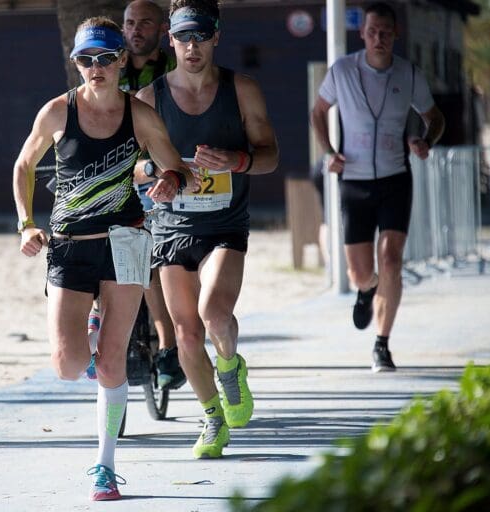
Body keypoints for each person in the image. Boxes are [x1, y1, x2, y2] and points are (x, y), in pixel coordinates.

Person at [12, 17, 197, 501]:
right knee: (69, 364)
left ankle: (104, 467)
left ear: (120, 62)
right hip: (70, 244)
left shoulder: (141, 116)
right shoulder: (57, 112)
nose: (95, 68)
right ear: (76, 64)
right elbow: (24, 165)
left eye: (105, 59)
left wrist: (171, 181)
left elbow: (176, 167)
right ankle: (90, 325)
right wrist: (26, 223)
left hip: (127, 240)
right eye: (85, 60)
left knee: (112, 364)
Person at [136, 0, 279, 459]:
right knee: (186, 334)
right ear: (170, 40)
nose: (191, 47)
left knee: (214, 315)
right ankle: (212, 418)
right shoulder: (148, 98)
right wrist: (158, 176)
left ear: (216, 37)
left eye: (200, 37)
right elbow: (132, 168)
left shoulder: (242, 90)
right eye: (183, 38)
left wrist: (236, 161)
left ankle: (230, 366)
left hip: (224, 224)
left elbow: (271, 156)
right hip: (172, 226)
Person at [310, 2, 445, 372]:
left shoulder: (409, 73)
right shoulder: (342, 71)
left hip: (395, 178)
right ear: (362, 33)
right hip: (354, 181)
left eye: (386, 32)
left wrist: (425, 142)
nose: (379, 38)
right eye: (372, 31)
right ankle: (367, 289)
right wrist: (329, 152)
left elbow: (435, 118)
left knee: (391, 260)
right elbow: (318, 111)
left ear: (395, 34)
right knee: (359, 272)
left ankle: (382, 344)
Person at [122, 0, 184, 390]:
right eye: (129, 23)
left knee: (151, 260)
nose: (135, 30)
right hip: (124, 176)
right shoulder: (108, 67)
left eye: (144, 23)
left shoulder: (176, 70)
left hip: (169, 173)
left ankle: (168, 347)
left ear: (162, 30)